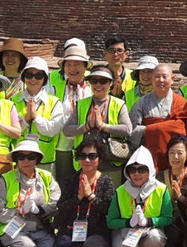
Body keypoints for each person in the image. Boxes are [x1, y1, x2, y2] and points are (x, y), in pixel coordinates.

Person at [54, 137, 114, 247]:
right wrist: (78, 198)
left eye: (92, 156)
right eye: (83, 156)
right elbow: (61, 207)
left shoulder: (106, 181)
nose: (87, 160)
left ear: (100, 159)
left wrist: (91, 196)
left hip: (96, 232)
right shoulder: (72, 180)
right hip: (74, 230)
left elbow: (108, 210)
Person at [109, 145, 171, 247]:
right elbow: (110, 221)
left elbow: (168, 218)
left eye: (142, 169)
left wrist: (148, 221)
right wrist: (127, 223)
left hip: (150, 231)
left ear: (150, 171)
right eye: (133, 170)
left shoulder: (161, 189)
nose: (137, 174)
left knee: (156, 238)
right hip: (126, 232)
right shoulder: (120, 191)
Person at [0, 138, 60, 247]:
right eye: (21, 157)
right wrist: (17, 211)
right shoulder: (6, 179)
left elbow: (56, 203)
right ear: (16, 159)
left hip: (39, 227)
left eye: (31, 156)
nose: (26, 161)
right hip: (12, 227)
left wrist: (38, 210)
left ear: (37, 159)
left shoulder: (47, 176)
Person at [63, 65, 132, 179]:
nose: (98, 85)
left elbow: (128, 129)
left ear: (111, 83)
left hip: (111, 161)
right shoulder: (81, 104)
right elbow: (67, 130)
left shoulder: (119, 104)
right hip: (86, 161)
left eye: (103, 81)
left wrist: (103, 126)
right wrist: (88, 126)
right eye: (94, 80)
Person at [130, 63, 187, 170]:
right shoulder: (141, 103)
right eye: (157, 77)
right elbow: (132, 130)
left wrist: (152, 128)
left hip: (175, 157)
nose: (160, 80)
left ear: (172, 79)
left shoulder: (181, 103)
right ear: (152, 79)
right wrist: (152, 130)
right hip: (149, 155)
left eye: (164, 77)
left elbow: (186, 129)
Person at [48, 44, 92, 186]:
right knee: (64, 183)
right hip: (62, 144)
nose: (73, 69)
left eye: (77, 64)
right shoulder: (54, 88)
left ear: (85, 67)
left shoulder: (93, 87)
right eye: (69, 64)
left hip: (87, 143)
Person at [12, 56, 66, 174]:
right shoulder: (13, 101)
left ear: (45, 79)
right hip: (20, 159)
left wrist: (36, 117)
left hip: (45, 161)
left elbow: (53, 130)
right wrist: (26, 119)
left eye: (38, 76)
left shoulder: (54, 102)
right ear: (24, 77)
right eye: (29, 75)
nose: (33, 79)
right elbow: (11, 131)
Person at [158, 135, 187, 247]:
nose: (175, 157)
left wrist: (181, 198)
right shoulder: (160, 177)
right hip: (168, 221)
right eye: (172, 153)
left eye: (180, 153)